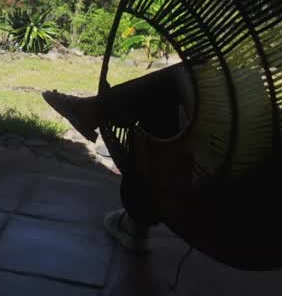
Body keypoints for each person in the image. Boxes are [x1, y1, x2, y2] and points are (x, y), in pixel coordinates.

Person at [42, 63, 196, 253]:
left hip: (214, 166)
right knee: (171, 88)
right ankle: (95, 110)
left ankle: (94, 110)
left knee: (172, 84)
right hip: (226, 160)